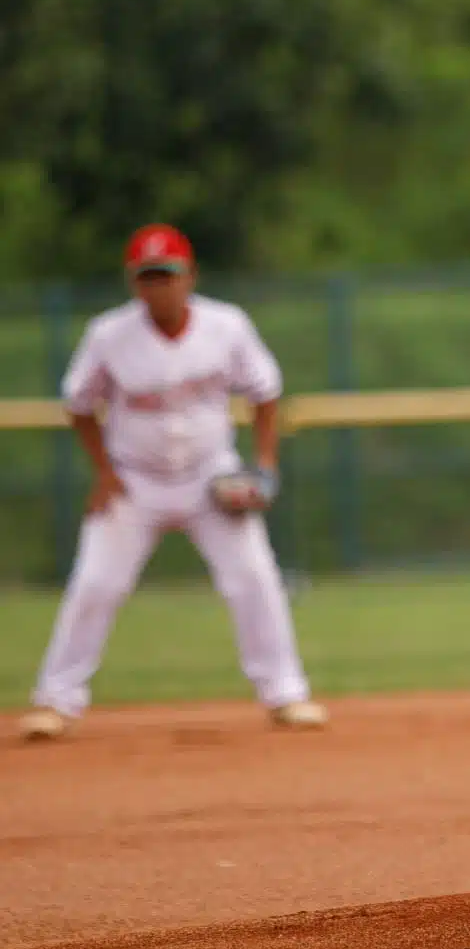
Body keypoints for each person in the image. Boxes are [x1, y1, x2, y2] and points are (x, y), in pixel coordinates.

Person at [18, 225, 328, 741]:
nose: (159, 285)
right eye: (148, 276)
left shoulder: (226, 326)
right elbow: (78, 405)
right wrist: (103, 472)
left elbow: (265, 392)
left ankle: (286, 695)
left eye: (168, 274)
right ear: (134, 283)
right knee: (96, 582)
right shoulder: (108, 335)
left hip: (212, 477)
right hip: (134, 482)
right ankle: (56, 701)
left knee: (254, 577)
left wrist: (265, 465)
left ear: (190, 276)